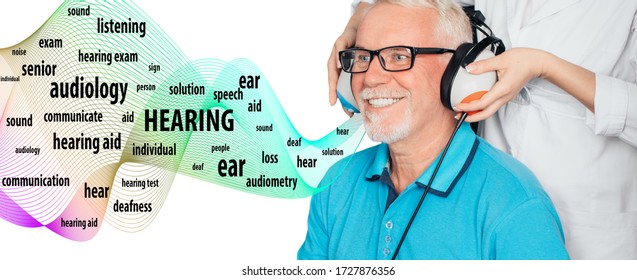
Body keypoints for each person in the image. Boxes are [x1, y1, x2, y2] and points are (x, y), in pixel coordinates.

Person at [326, 0, 637, 259]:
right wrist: (366, 17)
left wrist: (547, 67)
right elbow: (431, 18)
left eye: (395, 57)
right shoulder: (336, 189)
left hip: (593, 224)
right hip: (471, 192)